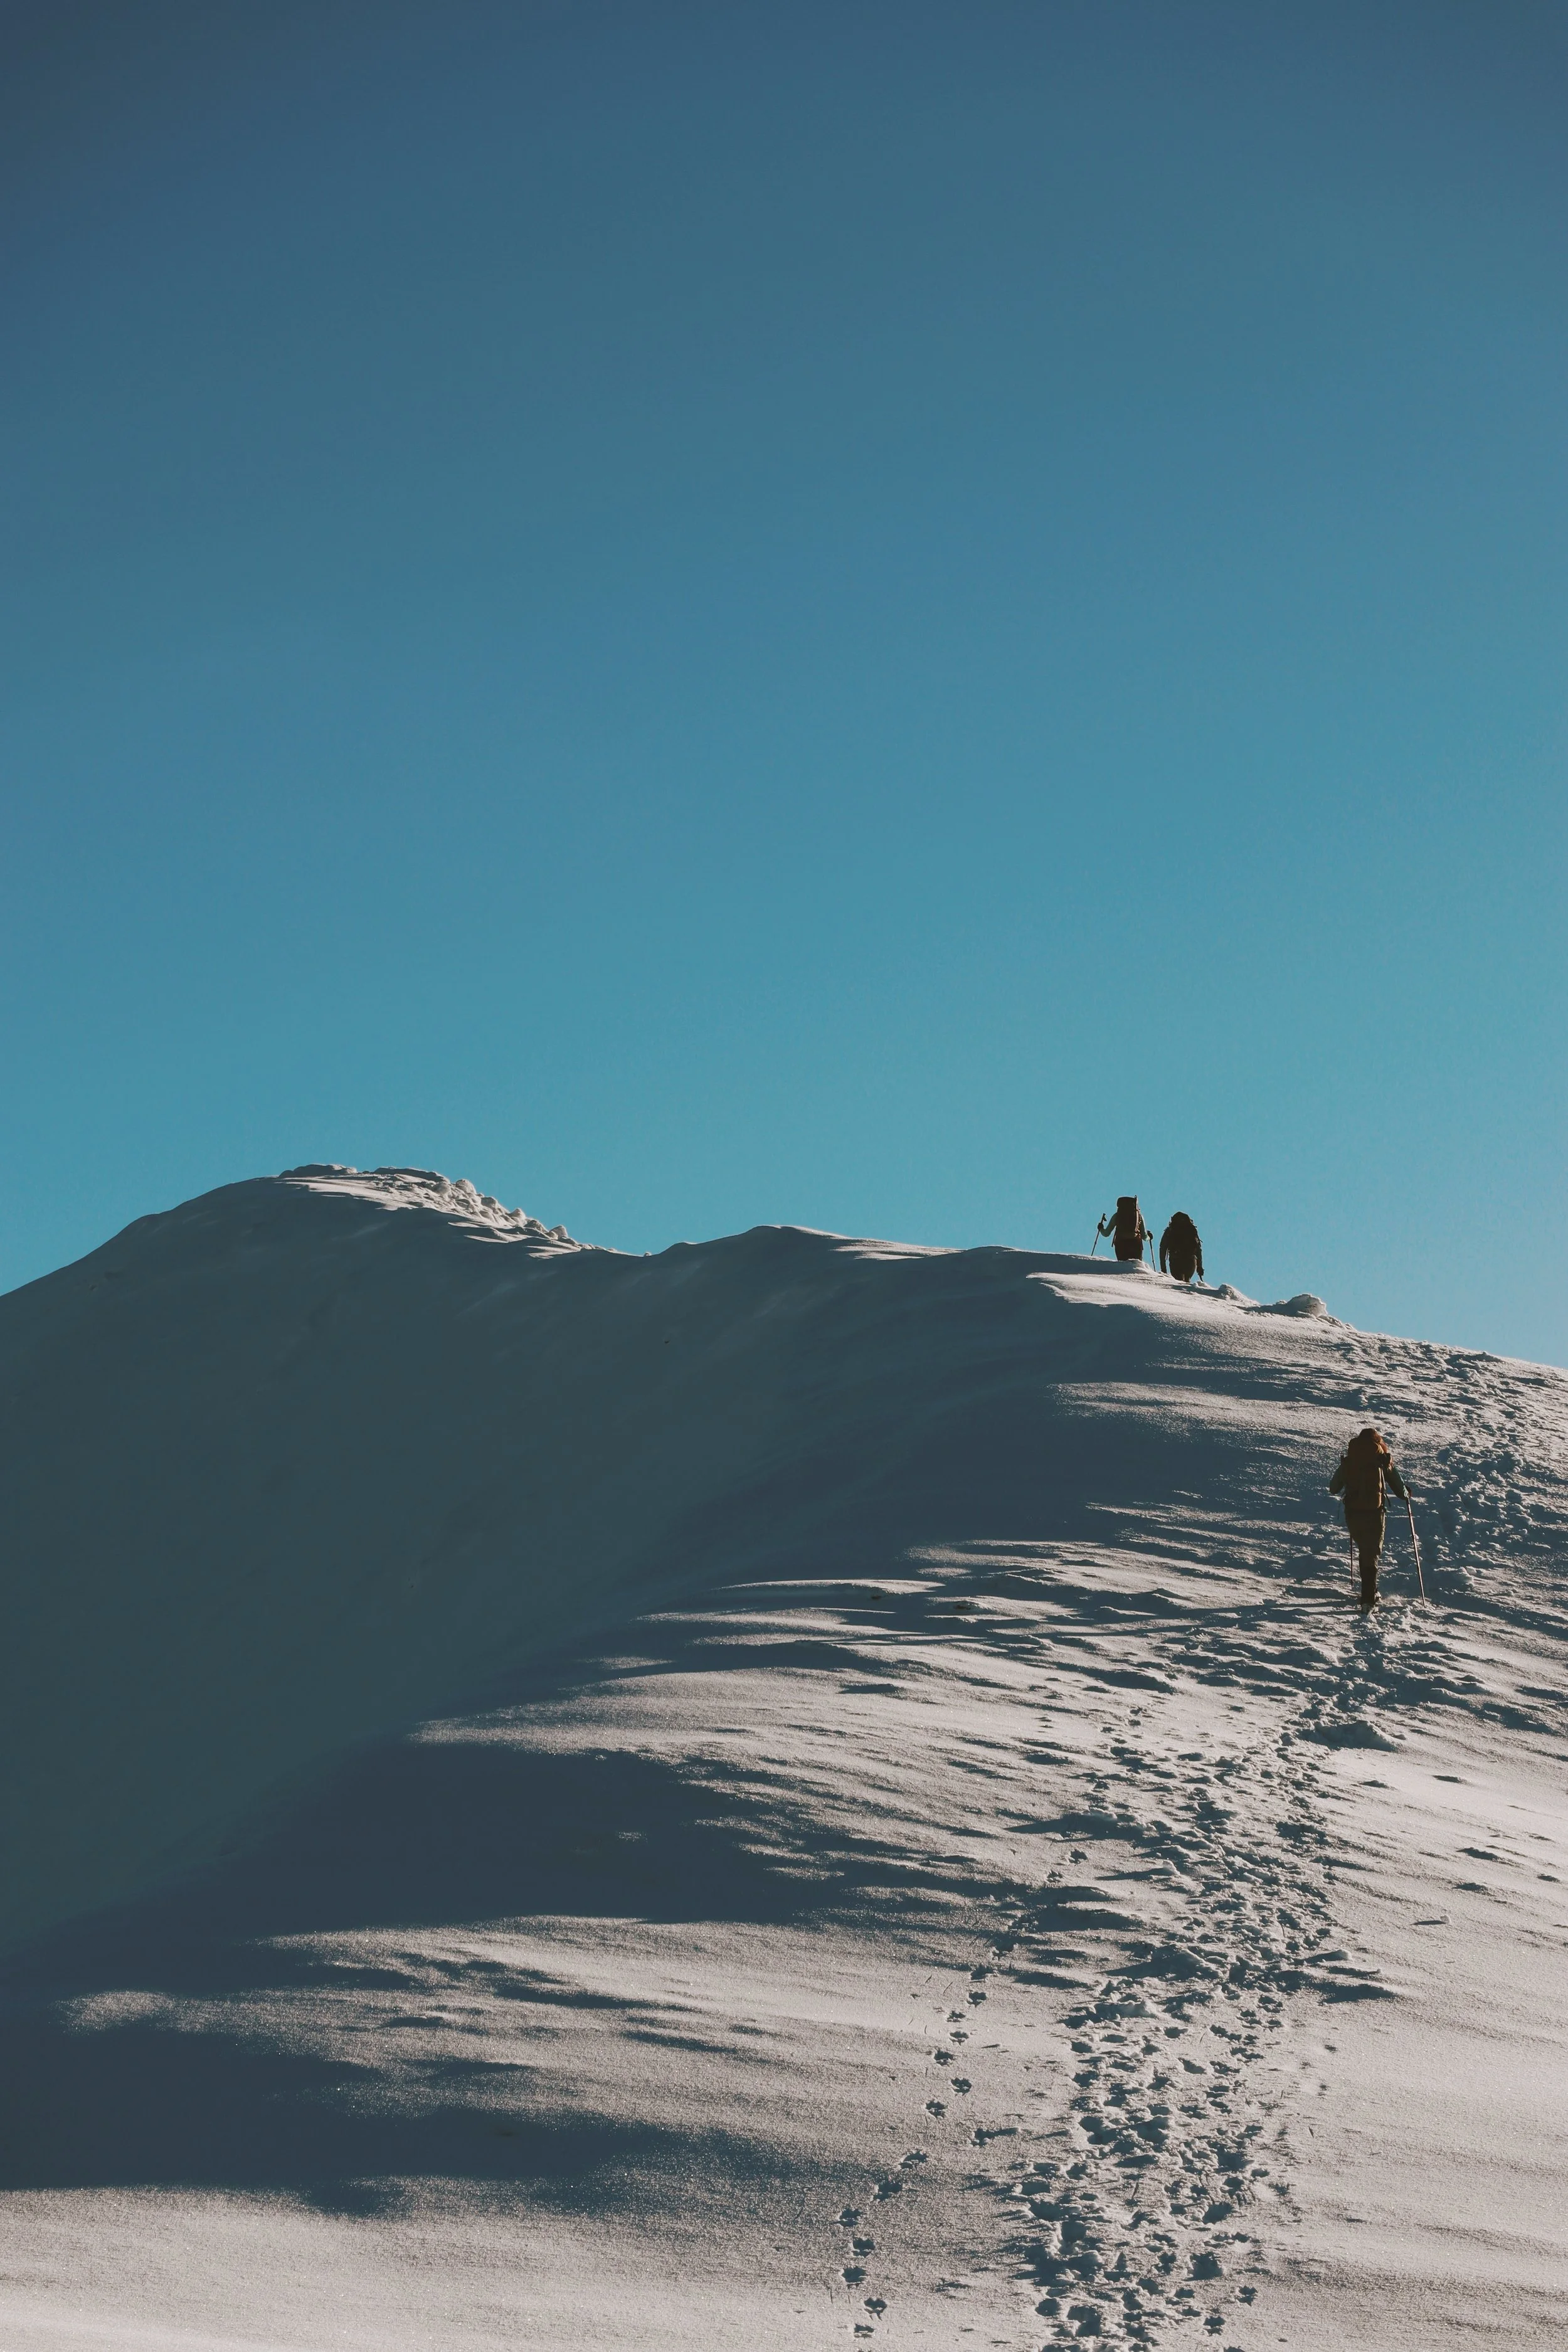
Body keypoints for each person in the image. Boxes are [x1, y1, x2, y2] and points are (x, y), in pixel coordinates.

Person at [1329, 1426, 1409, 1612]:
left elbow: (1333, 1487)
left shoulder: (1350, 1461)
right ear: (1378, 1441)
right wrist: (1407, 1494)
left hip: (1353, 1512)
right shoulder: (1382, 1459)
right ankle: (1368, 1600)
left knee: (1365, 1550)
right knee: (1371, 1553)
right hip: (1375, 1513)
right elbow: (1400, 1488)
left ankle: (1370, 1591)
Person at [1097, 1197, 1148, 1263]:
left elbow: (1106, 1234)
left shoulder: (1117, 1216)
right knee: (1136, 1267)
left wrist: (1101, 1229)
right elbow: (1145, 1237)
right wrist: (1149, 1237)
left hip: (1121, 1245)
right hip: (1135, 1245)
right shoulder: (1139, 1217)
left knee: (1123, 1268)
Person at [1159, 1211, 1204, 1283]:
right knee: (1187, 1282)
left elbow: (1163, 1249)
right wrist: (1200, 1267)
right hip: (1191, 1261)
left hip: (1176, 1261)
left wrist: (1163, 1268)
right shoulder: (1191, 1230)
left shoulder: (1170, 1230)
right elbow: (1198, 1249)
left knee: (1179, 1283)